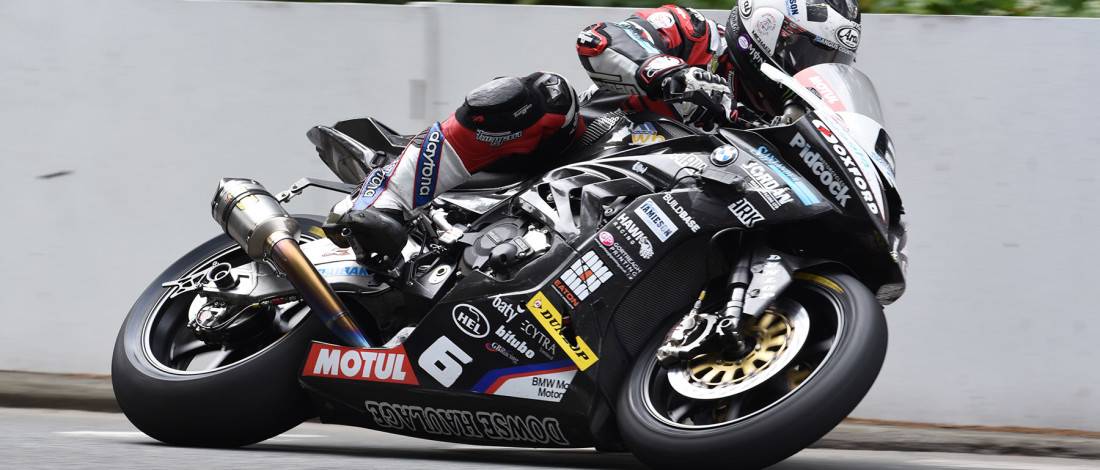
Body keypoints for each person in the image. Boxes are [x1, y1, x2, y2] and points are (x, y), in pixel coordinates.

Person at [326, 0, 862, 265]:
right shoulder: (700, 35)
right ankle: (385, 200)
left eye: (827, 61)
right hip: (588, 148)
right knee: (542, 94)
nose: (810, 67)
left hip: (664, 214)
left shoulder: (780, 123)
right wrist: (668, 71)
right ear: (769, 28)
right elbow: (599, 38)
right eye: (809, 51)